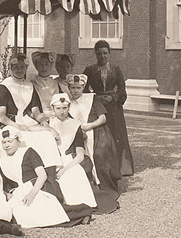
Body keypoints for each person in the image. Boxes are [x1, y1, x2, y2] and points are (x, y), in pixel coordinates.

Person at [0, 128, 92, 229]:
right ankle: (79, 216)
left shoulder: (28, 152)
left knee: (42, 209)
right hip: (18, 193)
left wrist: (32, 194)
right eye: (4, 142)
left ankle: (83, 211)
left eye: (10, 141)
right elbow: (1, 185)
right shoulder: (2, 161)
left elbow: (42, 175)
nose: (7, 145)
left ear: (18, 141)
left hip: (38, 187)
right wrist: (7, 194)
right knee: (20, 212)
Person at [44, 93, 118, 214]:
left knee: (74, 174)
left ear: (69, 108)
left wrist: (64, 169)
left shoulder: (75, 125)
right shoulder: (48, 123)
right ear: (52, 109)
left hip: (69, 160)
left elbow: (80, 155)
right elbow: (30, 128)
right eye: (58, 108)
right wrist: (49, 129)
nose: (62, 112)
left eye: (64, 108)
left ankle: (81, 208)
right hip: (53, 159)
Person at [84, 40, 134, 176]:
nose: (102, 56)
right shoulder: (90, 70)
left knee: (116, 135)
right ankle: (103, 168)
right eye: (99, 54)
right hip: (98, 107)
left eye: (105, 53)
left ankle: (121, 168)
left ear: (109, 54)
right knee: (102, 137)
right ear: (95, 54)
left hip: (114, 108)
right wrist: (96, 98)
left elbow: (122, 90)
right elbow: (84, 89)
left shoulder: (116, 69)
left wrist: (113, 97)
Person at [65, 72, 119, 192]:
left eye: (78, 88)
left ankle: (105, 187)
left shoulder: (92, 99)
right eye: (73, 88)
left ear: (83, 87)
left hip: (96, 131)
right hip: (78, 134)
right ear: (69, 88)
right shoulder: (67, 102)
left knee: (100, 154)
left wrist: (89, 126)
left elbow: (102, 118)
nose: (75, 91)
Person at [0, 51, 44, 128]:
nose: (19, 70)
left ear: (26, 68)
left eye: (22, 67)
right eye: (16, 67)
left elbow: (35, 111)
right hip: (10, 124)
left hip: (27, 121)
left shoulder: (30, 86)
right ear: (11, 68)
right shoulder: (4, 86)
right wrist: (18, 126)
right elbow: (2, 117)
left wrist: (43, 120)